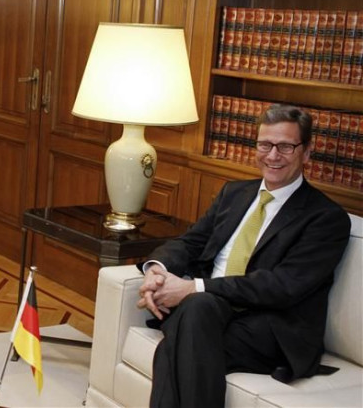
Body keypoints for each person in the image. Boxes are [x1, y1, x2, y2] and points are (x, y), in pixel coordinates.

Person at [137, 104, 351, 408]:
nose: (272, 156)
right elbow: (190, 242)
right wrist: (155, 271)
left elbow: (280, 287)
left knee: (180, 336)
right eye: (265, 144)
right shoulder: (234, 193)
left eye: (286, 146)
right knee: (195, 317)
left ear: (306, 152)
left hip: (268, 324)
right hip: (210, 311)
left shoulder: (325, 218)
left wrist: (193, 288)